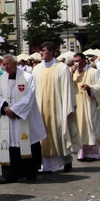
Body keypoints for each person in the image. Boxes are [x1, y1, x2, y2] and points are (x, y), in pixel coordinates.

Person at [0, 54, 45, 183]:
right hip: (8, 120)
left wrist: (15, 110)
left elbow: (29, 97)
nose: (6, 67)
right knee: (10, 145)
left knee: (26, 142)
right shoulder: (1, 79)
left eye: (8, 64)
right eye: (3, 64)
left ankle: (30, 172)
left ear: (15, 63)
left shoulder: (27, 77)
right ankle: (9, 175)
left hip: (23, 118)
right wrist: (5, 108)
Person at [32, 42, 81, 173]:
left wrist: (68, 107)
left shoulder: (62, 68)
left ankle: (66, 160)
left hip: (57, 107)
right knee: (43, 137)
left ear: (52, 52)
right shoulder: (36, 69)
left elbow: (67, 88)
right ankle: (46, 165)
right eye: (40, 51)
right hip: (41, 108)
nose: (41, 53)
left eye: (44, 50)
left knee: (59, 134)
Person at [72, 53, 100, 161]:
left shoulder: (94, 72)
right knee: (79, 127)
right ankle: (81, 153)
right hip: (77, 104)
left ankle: (92, 154)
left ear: (84, 60)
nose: (76, 63)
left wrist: (90, 88)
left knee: (91, 126)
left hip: (89, 103)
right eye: (74, 61)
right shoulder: (73, 74)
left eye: (78, 61)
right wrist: (70, 74)